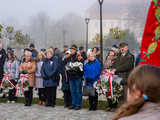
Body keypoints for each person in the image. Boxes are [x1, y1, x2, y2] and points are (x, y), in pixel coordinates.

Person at [64, 44, 83, 110]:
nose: (71, 50)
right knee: (72, 91)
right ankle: (73, 103)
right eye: (71, 49)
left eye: (73, 49)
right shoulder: (69, 57)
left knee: (78, 91)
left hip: (78, 76)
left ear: (75, 50)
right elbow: (65, 64)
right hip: (71, 77)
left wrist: (75, 69)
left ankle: (78, 104)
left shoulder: (79, 56)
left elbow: (81, 66)